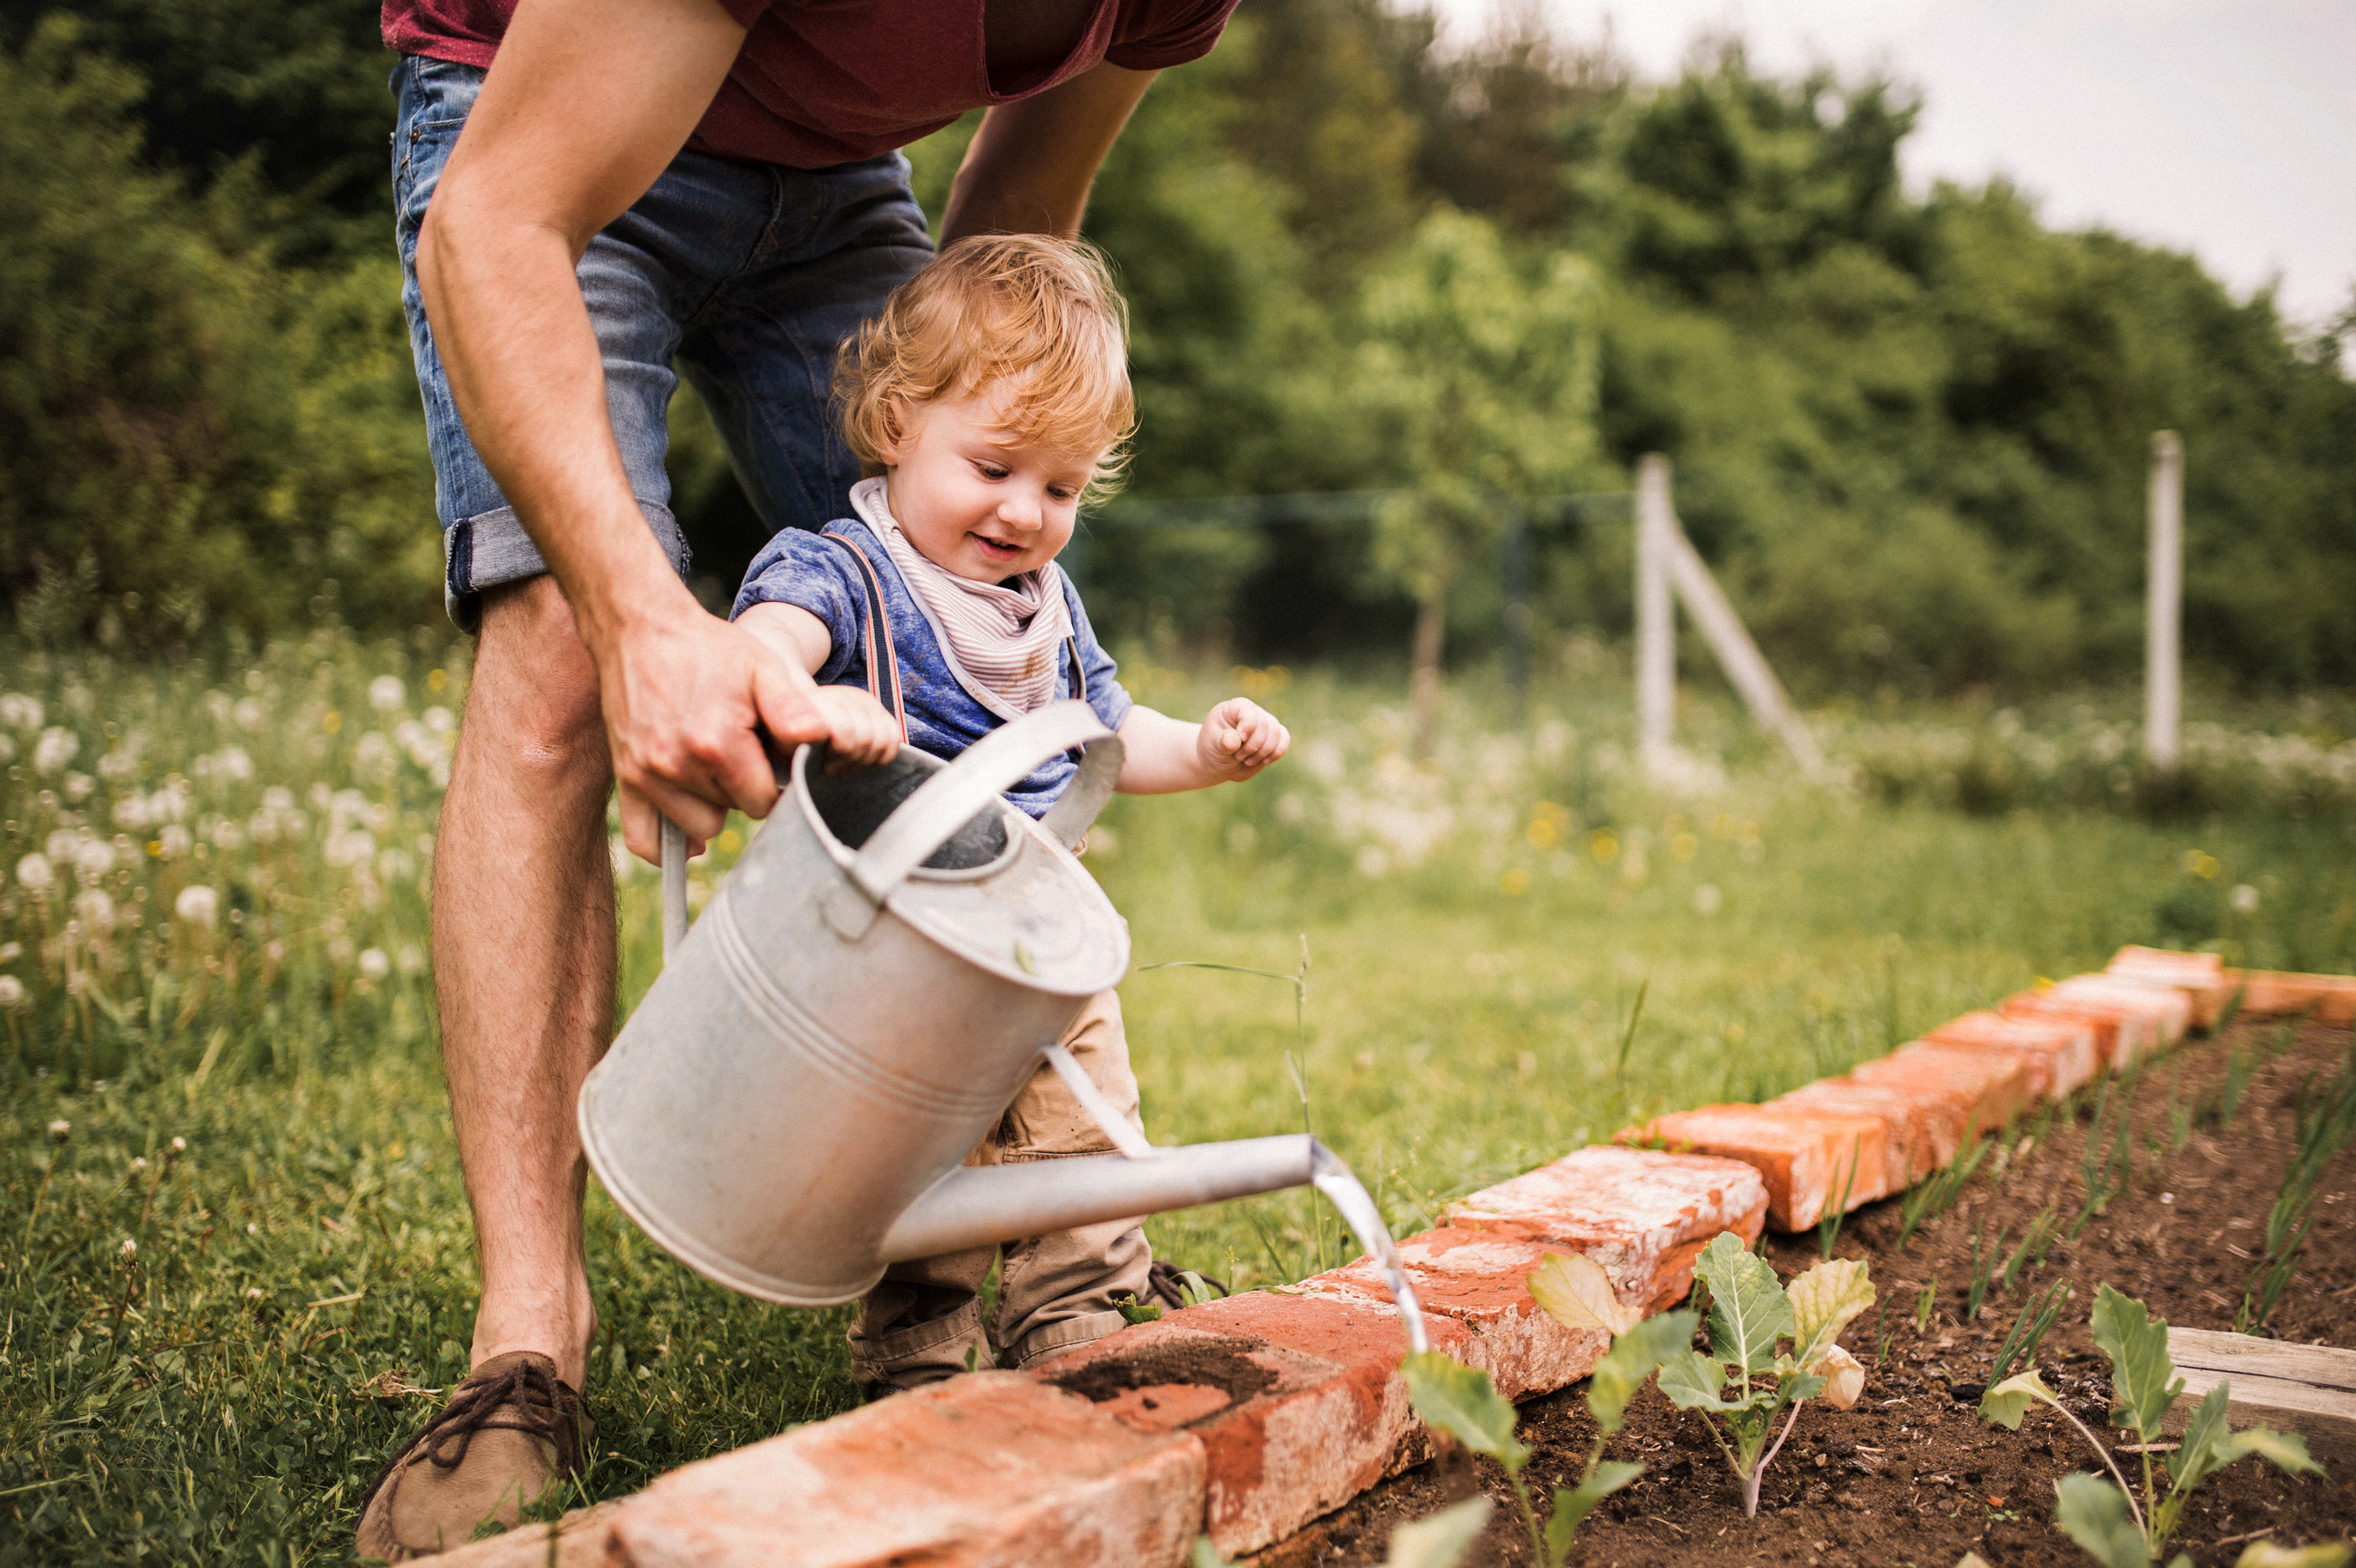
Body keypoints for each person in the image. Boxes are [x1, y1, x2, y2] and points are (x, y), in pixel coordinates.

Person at [359, 0, 1242, 1555]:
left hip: (837, 181)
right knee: (564, 646)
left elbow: (1013, 241)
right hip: (541, 134)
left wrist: (982, 536)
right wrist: (651, 625)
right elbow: (495, 219)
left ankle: (1061, 1253)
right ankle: (524, 1346)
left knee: (961, 632)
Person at [729, 233, 1289, 1396]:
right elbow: (763, 648)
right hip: (894, 943)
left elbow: (1105, 734)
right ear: (896, 426)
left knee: (1088, 1120)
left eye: (1062, 487)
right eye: (993, 468)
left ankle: (1081, 1309)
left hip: (1043, 932)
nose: (1025, 511)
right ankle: (920, 1342)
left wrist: (1208, 751)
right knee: (915, 1141)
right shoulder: (847, 572)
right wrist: (811, 698)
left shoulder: (1046, 605)